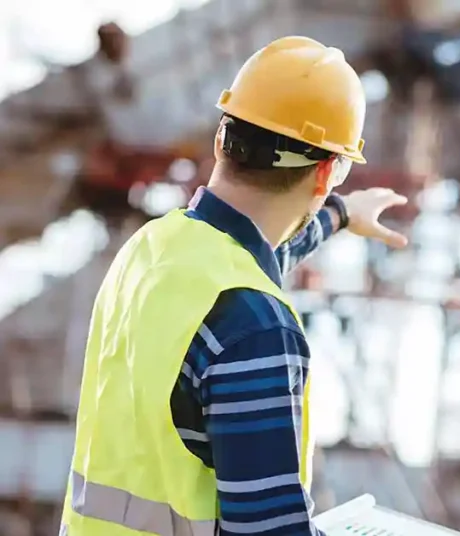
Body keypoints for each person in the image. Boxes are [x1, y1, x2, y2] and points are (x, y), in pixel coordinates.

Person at [61, 36, 409, 536]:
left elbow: (250, 259)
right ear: (328, 171)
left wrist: (340, 216)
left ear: (221, 138)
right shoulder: (258, 330)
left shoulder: (151, 248)